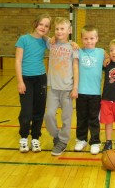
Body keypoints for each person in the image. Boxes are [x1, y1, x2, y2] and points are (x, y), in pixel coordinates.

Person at [15, 13, 52, 153]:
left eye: (47, 26)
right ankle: (24, 137)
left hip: (41, 78)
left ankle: (35, 138)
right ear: (35, 23)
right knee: (26, 111)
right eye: (41, 24)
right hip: (26, 79)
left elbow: (58, 43)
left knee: (39, 110)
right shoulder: (23, 39)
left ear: (49, 29)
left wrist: (72, 43)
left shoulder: (44, 41)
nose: (43, 27)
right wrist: (20, 81)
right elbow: (18, 61)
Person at [44, 17, 79, 156]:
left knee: (66, 117)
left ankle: (63, 142)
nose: (59, 31)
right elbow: (41, 34)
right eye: (57, 29)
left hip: (68, 89)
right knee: (49, 115)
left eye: (62, 29)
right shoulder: (51, 44)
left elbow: (76, 68)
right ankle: (57, 136)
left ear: (69, 30)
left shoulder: (73, 47)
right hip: (53, 87)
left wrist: (75, 87)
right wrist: (51, 36)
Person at [75, 25, 109, 155]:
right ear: (82, 39)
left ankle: (95, 141)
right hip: (81, 91)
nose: (89, 41)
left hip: (95, 92)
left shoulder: (101, 52)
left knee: (94, 118)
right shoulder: (79, 51)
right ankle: (81, 139)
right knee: (81, 117)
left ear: (97, 39)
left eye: (91, 38)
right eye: (85, 38)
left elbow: (111, 57)